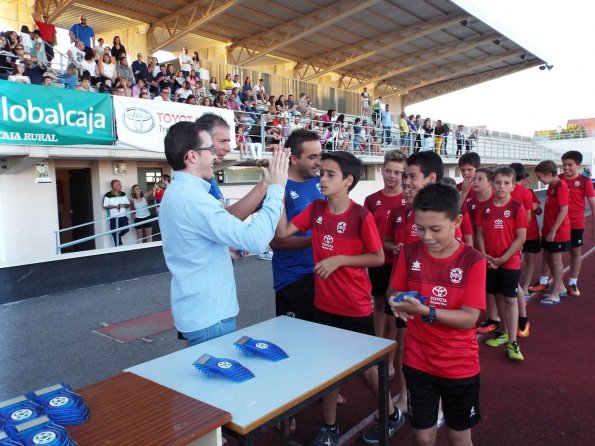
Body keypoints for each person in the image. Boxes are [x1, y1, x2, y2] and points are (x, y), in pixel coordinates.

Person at [275, 151, 404, 446]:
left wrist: (339, 260)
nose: (322, 179)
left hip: (355, 306)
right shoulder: (316, 209)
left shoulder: (360, 215)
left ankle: (392, 412)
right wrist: (278, 196)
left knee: (368, 370)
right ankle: (329, 427)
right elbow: (283, 232)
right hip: (324, 305)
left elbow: (377, 256)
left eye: (329, 174)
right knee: (328, 368)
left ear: (348, 180)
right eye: (321, 173)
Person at [159, 121, 290, 347]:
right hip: (211, 316)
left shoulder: (178, 192)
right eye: (210, 150)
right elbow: (257, 241)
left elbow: (194, 242)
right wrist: (277, 188)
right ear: (192, 156)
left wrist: (222, 250)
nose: (215, 156)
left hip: (199, 311)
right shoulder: (194, 198)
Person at [388, 183, 486, 446]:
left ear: (457, 221)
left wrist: (427, 311)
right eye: (420, 228)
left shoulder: (473, 260)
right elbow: (394, 290)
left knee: (458, 435)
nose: (427, 236)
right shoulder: (409, 252)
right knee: (422, 436)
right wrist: (396, 302)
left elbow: (469, 318)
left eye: (435, 229)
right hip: (418, 360)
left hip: (459, 365)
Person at [476, 167, 527, 360]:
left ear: (513, 186)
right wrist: (483, 254)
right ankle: (504, 332)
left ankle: (513, 342)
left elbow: (520, 237)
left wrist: (504, 258)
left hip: (509, 261)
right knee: (497, 296)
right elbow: (480, 232)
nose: (501, 187)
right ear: (492, 184)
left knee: (510, 299)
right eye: (498, 182)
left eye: (506, 183)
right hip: (489, 261)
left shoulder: (516, 207)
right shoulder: (485, 207)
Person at [364, 150, 406, 379]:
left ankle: (390, 361)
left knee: (395, 314)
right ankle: (377, 354)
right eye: (389, 170)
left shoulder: (408, 199)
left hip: (401, 264)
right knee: (378, 306)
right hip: (378, 260)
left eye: (398, 172)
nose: (392, 176)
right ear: (382, 170)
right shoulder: (371, 200)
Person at [530, 151, 595, 297]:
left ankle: (572, 282)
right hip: (556, 223)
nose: (566, 168)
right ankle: (544, 281)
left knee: (575, 252)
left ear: (578, 166)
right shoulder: (556, 179)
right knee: (549, 252)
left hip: (575, 222)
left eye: (569, 165)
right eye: (564, 164)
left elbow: (592, 202)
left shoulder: (585, 181)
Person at [532, 160, 571, 306]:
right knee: (548, 256)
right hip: (549, 229)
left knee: (555, 260)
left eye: (540, 177)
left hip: (558, 231)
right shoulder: (551, 186)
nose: (540, 180)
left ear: (549, 175)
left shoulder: (561, 186)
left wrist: (554, 230)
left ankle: (556, 294)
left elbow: (564, 210)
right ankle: (559, 286)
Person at [509, 162, 535, 338]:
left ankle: (521, 318)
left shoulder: (524, 193)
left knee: (512, 283)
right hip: (512, 239)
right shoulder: (525, 193)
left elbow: (526, 219)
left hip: (513, 240)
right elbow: (528, 218)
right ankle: (507, 320)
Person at [103, 179, 131, 246]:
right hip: (113, 218)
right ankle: (119, 248)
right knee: (114, 234)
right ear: (114, 186)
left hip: (123, 217)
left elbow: (128, 205)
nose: (121, 186)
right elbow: (105, 206)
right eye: (119, 184)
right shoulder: (108, 194)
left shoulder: (123, 194)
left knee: (126, 229)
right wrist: (115, 206)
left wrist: (123, 205)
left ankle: (119, 236)